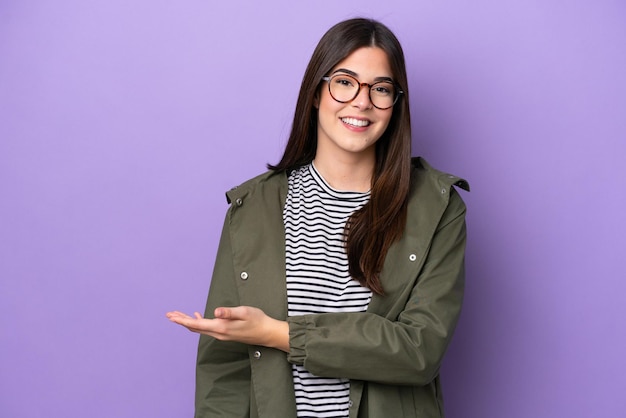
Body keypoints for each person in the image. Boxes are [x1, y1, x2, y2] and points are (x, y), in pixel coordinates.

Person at [166, 17, 469, 418]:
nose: (361, 101)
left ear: (395, 105)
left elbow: (419, 351)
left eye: (380, 89)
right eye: (345, 82)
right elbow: (225, 371)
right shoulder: (252, 206)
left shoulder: (436, 206)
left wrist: (277, 333)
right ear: (316, 91)